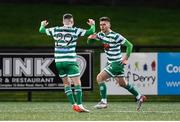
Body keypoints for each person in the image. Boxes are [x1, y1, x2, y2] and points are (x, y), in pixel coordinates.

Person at [39, 13, 95, 112]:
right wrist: (93, 24)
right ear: (72, 22)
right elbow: (91, 32)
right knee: (77, 83)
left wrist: (42, 24)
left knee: (66, 83)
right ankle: (80, 105)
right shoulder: (75, 30)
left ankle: (74, 104)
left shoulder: (55, 29)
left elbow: (41, 30)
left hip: (59, 62)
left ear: (62, 22)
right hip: (70, 61)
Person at [87, 17, 146, 111]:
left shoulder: (115, 36)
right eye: (101, 25)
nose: (102, 26)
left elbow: (129, 45)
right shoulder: (101, 34)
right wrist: (90, 38)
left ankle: (103, 102)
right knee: (122, 83)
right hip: (113, 63)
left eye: (104, 24)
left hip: (116, 63)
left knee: (99, 78)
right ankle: (139, 96)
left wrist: (126, 58)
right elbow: (89, 43)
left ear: (109, 25)